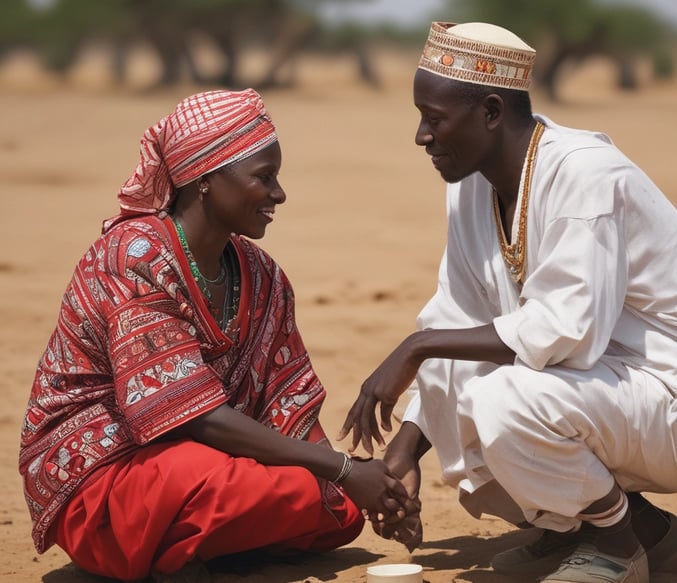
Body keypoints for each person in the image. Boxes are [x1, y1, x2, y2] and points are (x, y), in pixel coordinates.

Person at [339, 21, 677, 583]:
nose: (422, 136)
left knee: (503, 401)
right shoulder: (470, 186)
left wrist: (415, 347)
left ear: (491, 112)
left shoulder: (585, 173)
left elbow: (568, 331)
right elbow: (457, 319)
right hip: (619, 383)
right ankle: (632, 527)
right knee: (468, 376)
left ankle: (616, 547)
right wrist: (403, 454)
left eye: (434, 118)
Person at [19, 89, 413, 582]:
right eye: (264, 177)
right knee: (254, 485)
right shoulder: (133, 258)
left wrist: (361, 486)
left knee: (337, 509)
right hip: (104, 475)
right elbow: (194, 418)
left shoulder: (262, 275)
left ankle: (193, 546)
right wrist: (344, 469)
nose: (279, 194)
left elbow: (287, 405)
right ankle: (168, 547)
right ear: (205, 179)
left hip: (205, 459)